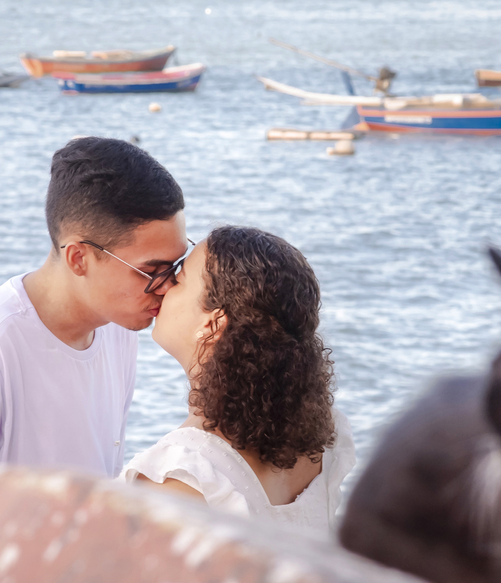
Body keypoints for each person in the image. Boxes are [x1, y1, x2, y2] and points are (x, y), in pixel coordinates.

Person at [0, 137, 191, 476]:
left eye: (175, 267)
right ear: (79, 258)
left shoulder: (118, 327)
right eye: (151, 271)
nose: (168, 287)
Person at [121, 225, 354, 533]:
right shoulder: (324, 438)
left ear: (213, 323)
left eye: (178, 280)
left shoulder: (181, 477)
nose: (161, 287)